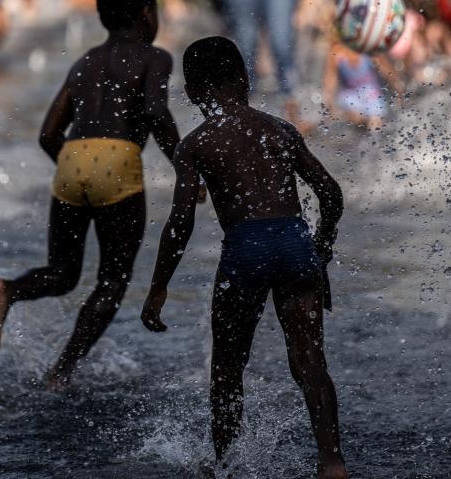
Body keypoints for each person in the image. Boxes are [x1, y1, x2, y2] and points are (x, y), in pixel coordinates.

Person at [140, 37, 348, 479]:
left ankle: (226, 465)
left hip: (246, 249)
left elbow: (180, 225)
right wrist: (321, 250)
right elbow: (330, 194)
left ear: (193, 93)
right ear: (245, 80)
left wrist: (158, 289)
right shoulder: (280, 130)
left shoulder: (196, 144)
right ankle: (331, 460)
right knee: (311, 361)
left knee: (228, 369)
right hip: (295, 242)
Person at [0, 0, 182, 389]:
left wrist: (77, 171)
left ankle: (6, 291)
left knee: (62, 273)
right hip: (118, 163)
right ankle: (61, 370)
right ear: (147, 13)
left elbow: (48, 133)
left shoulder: (86, 61)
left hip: (71, 160)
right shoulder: (154, 57)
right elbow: (157, 112)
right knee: (112, 281)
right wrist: (185, 166)